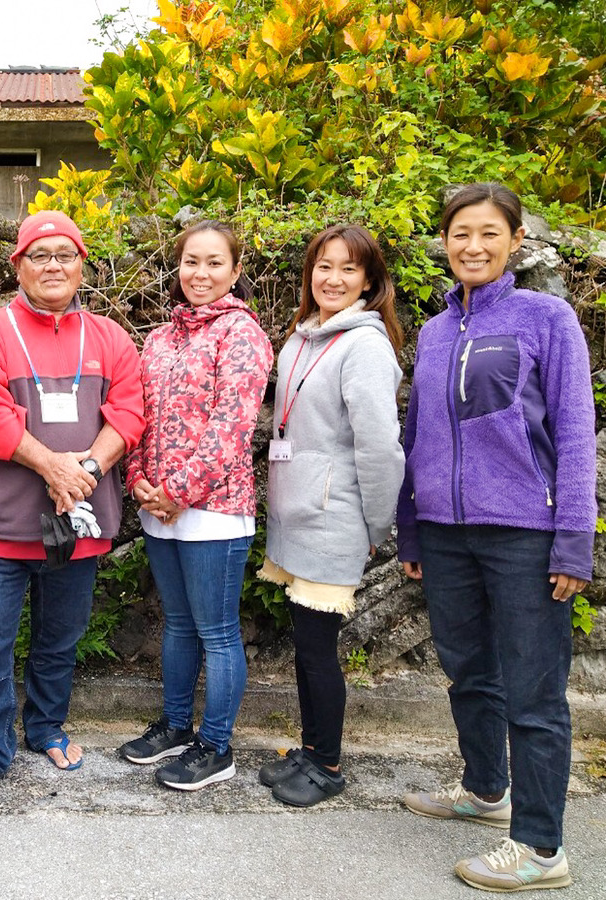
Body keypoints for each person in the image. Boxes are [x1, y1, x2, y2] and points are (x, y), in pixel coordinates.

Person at [397, 183, 595, 892]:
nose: (472, 247)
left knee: (534, 690)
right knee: (469, 673)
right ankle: (486, 792)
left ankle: (542, 848)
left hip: (525, 534)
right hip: (447, 534)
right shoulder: (435, 329)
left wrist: (573, 538)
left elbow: (574, 434)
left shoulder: (547, 317)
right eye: (459, 234)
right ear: (444, 243)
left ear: (515, 240)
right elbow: (418, 437)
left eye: (487, 233)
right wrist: (412, 528)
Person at [0, 210, 145, 801]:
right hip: (4, 524)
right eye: (40, 255)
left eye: (65, 254)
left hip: (79, 518)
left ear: (82, 264)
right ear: (18, 266)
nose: (53, 265)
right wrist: (52, 465)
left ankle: (45, 727)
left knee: (60, 637)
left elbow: (130, 414)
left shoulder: (110, 336)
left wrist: (82, 469)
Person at [117, 221, 273, 791]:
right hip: (159, 508)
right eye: (190, 262)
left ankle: (217, 746)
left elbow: (232, 426)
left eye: (213, 263)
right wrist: (139, 480)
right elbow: (137, 418)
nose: (199, 274)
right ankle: (177, 727)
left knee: (217, 631)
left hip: (215, 509)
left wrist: (178, 491)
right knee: (178, 625)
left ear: (234, 271)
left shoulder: (242, 334)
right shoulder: (159, 338)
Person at [255, 224, 404, 807]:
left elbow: (379, 448)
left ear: (369, 281)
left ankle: (329, 763)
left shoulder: (365, 346)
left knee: (318, 648)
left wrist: (374, 525)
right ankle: (313, 749)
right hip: (296, 517)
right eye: (323, 266)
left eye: (348, 268)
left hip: (334, 517)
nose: (333, 279)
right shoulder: (302, 337)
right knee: (305, 643)